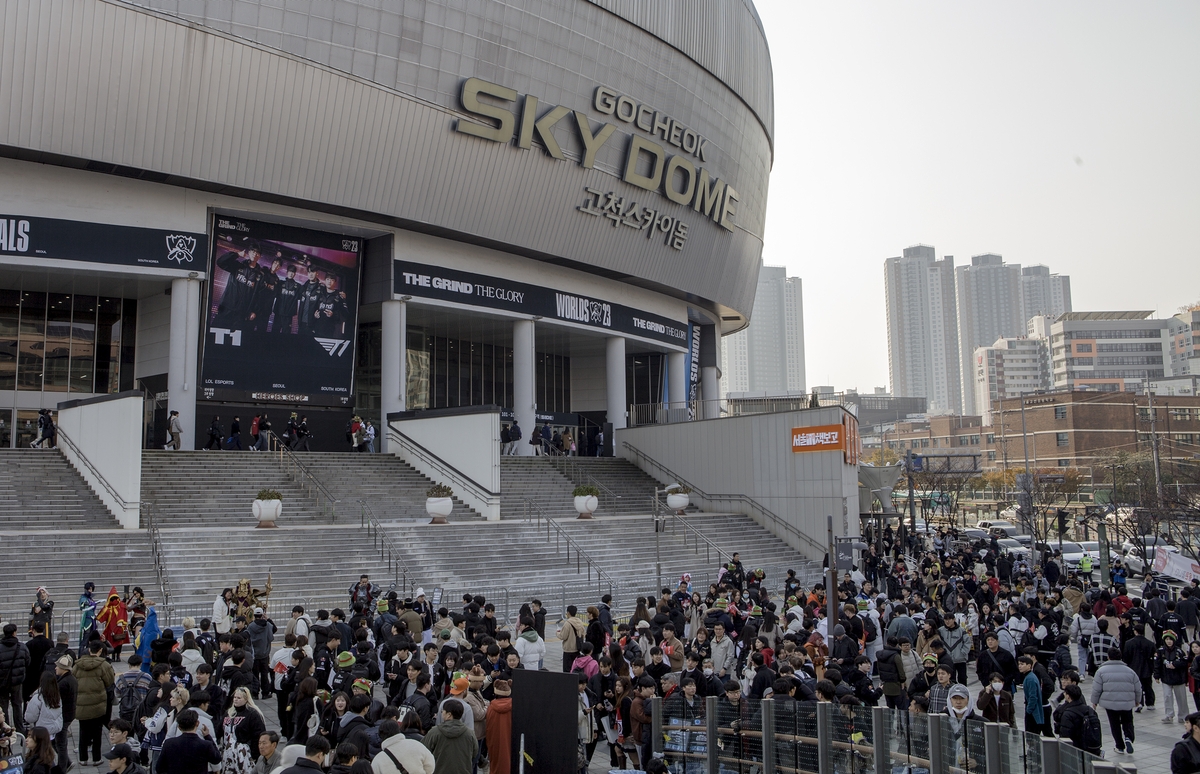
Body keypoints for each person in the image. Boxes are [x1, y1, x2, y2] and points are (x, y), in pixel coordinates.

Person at [1091, 646, 1142, 756]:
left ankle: (1119, 745)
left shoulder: (1101, 671)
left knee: (1114, 724)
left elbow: (1096, 688)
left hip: (1110, 703)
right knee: (1128, 721)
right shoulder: (1130, 671)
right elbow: (1138, 687)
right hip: (1127, 702)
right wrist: (1138, 700)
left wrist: (1094, 701)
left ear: (1108, 657)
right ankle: (1128, 737)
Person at [74, 638, 115, 766]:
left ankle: (83, 758)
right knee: (97, 731)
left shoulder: (77, 665)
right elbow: (109, 682)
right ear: (101, 650)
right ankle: (96, 758)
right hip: (98, 703)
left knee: (83, 730)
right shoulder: (104, 665)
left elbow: (73, 681)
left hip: (81, 703)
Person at [157, 708, 223, 774]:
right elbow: (216, 759)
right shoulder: (206, 745)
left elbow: (159, 767)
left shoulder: (169, 743)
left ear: (179, 727)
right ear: (197, 723)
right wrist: (208, 736)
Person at [422, 698, 475, 774]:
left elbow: (424, 750)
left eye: (443, 711)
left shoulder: (434, 732)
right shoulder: (470, 734)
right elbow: (474, 753)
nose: (441, 713)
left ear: (449, 715)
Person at [1054, 684, 1103, 757]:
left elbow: (1065, 735)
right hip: (1091, 747)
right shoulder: (1090, 710)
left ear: (1068, 696)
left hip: (1076, 749)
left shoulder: (1067, 714)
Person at [0, 622, 29, 732]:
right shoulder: (21, 647)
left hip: (2, 682)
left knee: (3, 706)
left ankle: (5, 728)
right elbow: (27, 661)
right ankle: (20, 728)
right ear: (14, 633)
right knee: (17, 705)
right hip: (17, 682)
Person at [1160, 629, 1192, 723]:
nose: (1169, 641)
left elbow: (1184, 663)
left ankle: (1183, 715)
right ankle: (1169, 715)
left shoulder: (1179, 651)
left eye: (1170, 639)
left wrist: (1175, 665)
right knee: (1167, 697)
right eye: (1167, 639)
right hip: (1166, 678)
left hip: (1178, 679)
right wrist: (1157, 675)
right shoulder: (1161, 651)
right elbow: (1158, 663)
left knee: (1181, 698)